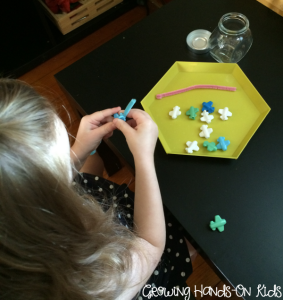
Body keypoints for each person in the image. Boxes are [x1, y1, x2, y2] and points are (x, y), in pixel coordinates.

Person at [0, 78, 193, 300]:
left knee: (93, 165)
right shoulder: (92, 283)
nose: (71, 151)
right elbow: (150, 245)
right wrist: (143, 157)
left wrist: (80, 150)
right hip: (141, 268)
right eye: (64, 151)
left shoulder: (15, 215)